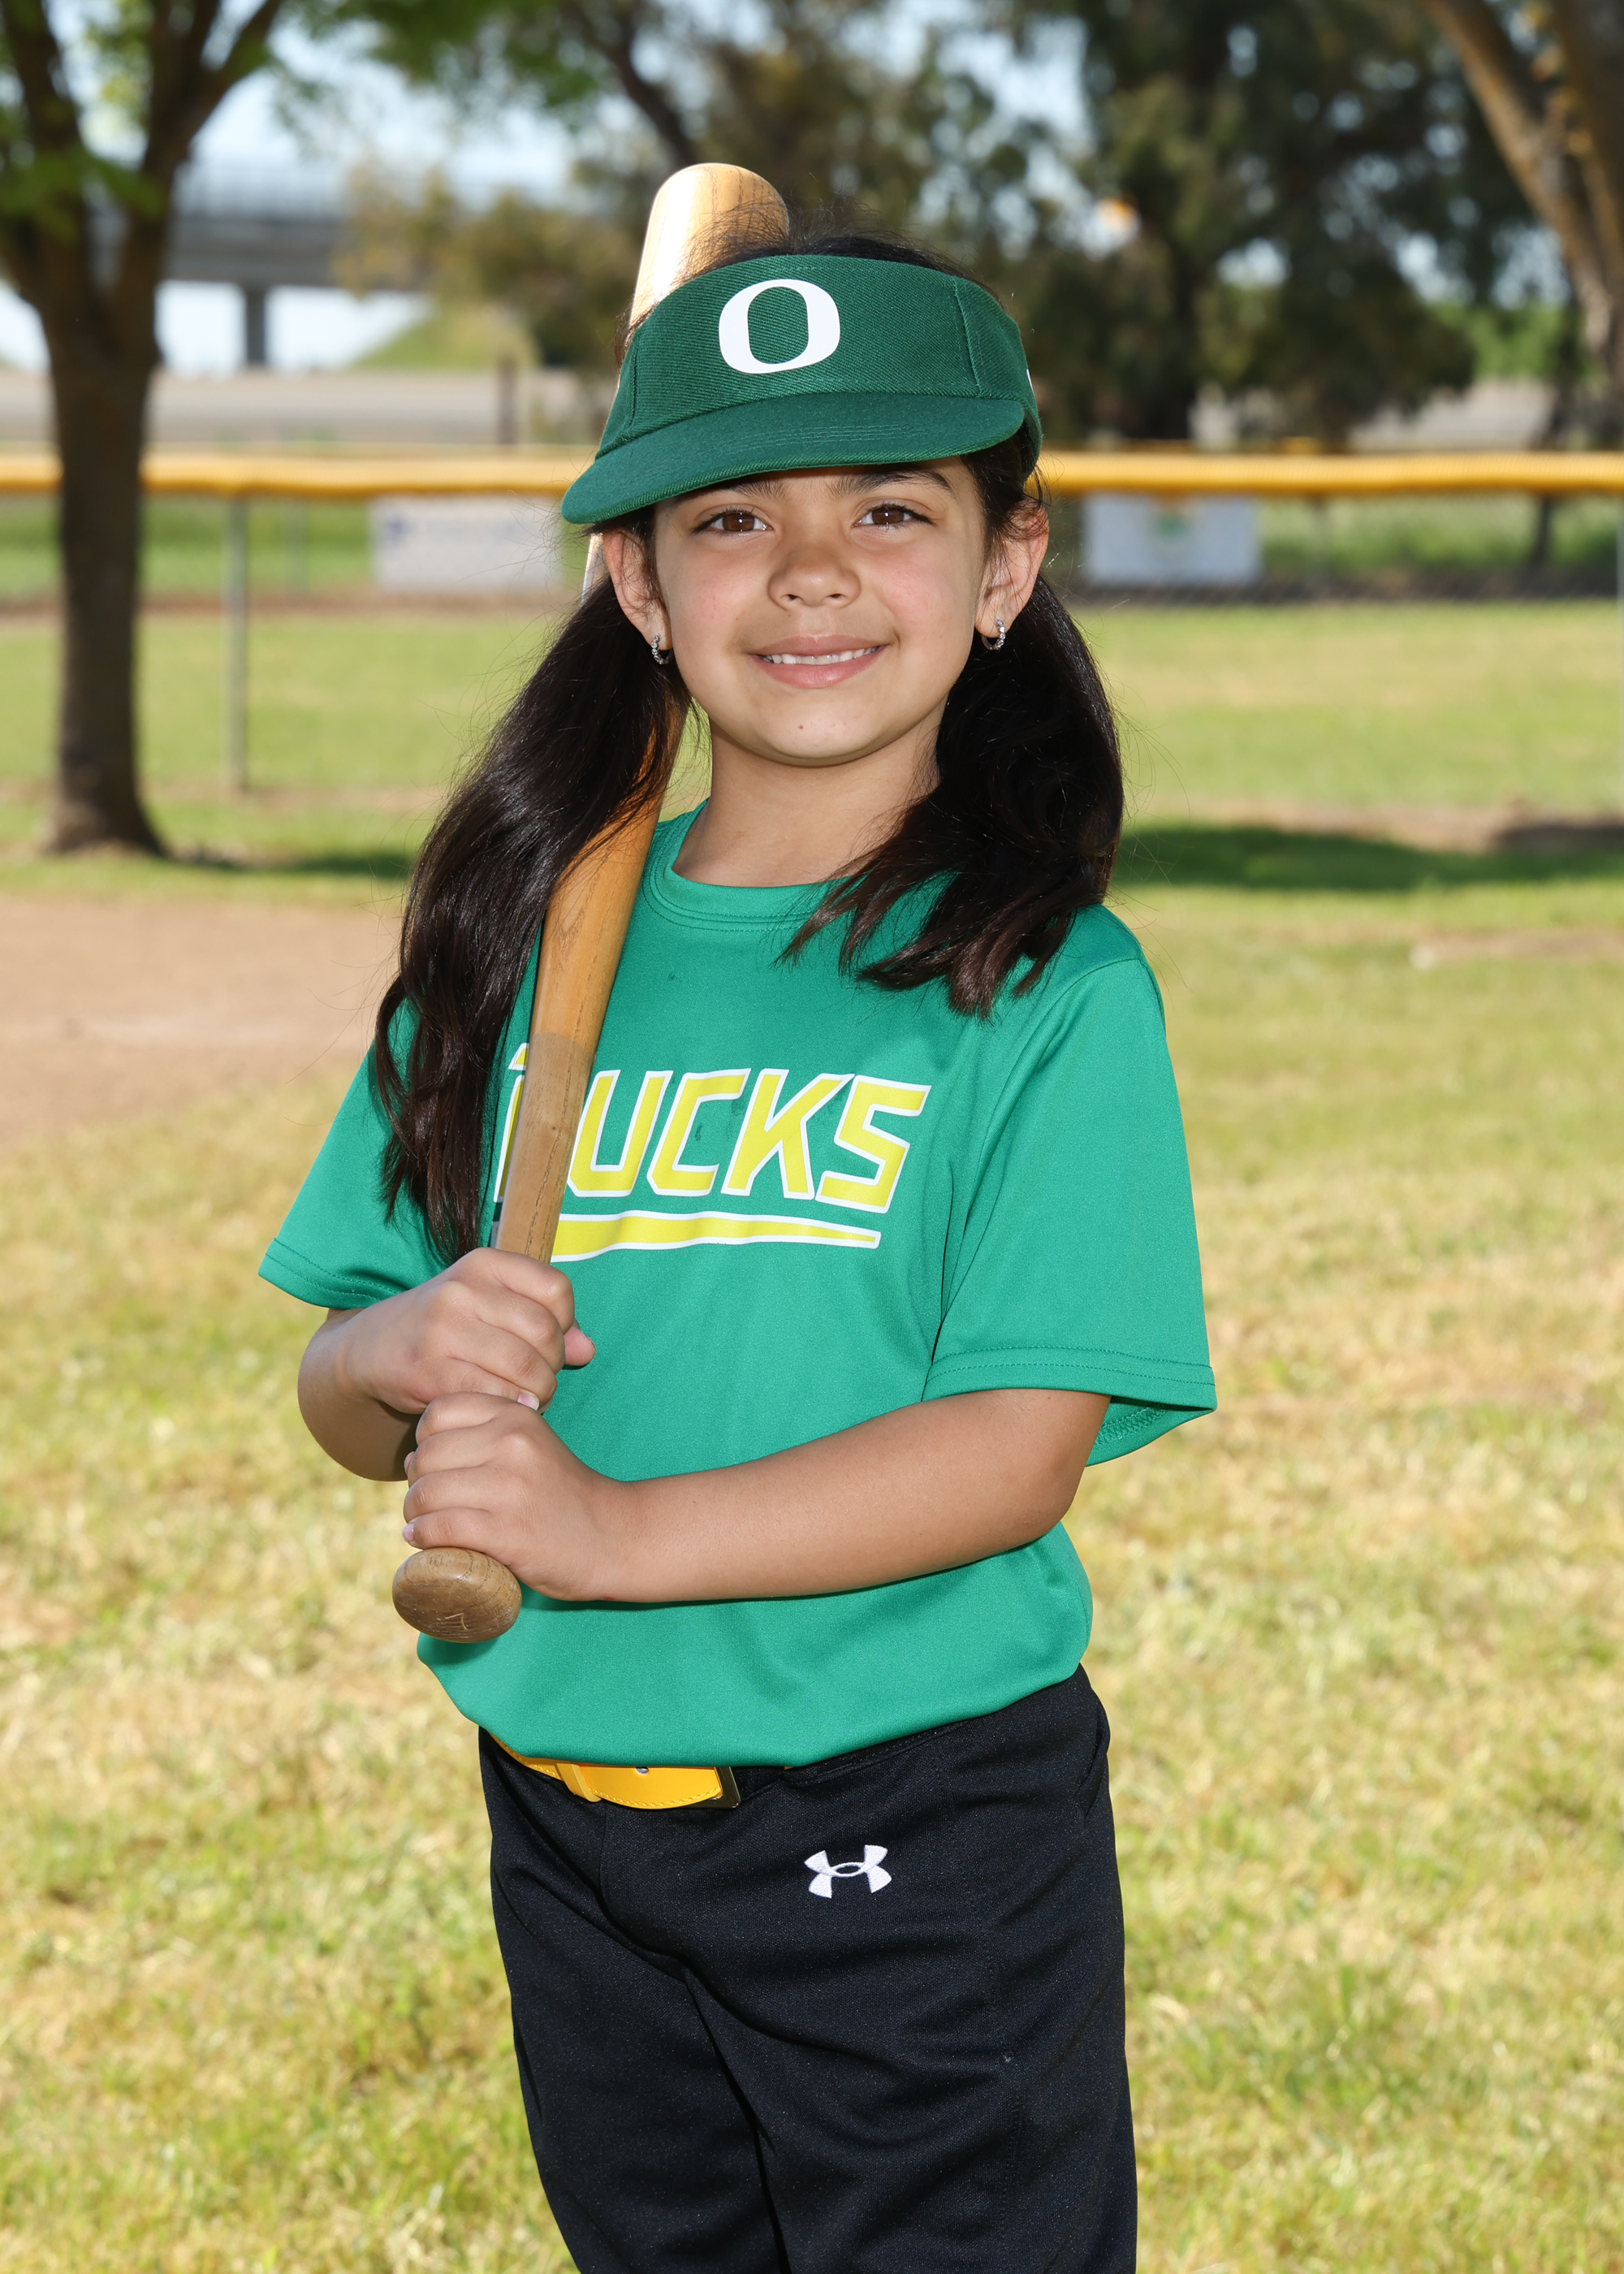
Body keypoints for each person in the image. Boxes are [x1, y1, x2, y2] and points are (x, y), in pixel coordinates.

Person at [261, 231, 1215, 2274]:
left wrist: (611, 1529)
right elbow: (346, 1379)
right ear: (636, 583)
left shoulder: (1044, 984)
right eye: (730, 518)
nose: (807, 572)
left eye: (889, 511)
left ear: (1004, 567)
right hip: (568, 1805)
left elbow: (1013, 1449)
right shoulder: (510, 952)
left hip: (910, 1817)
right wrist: (397, 1349)